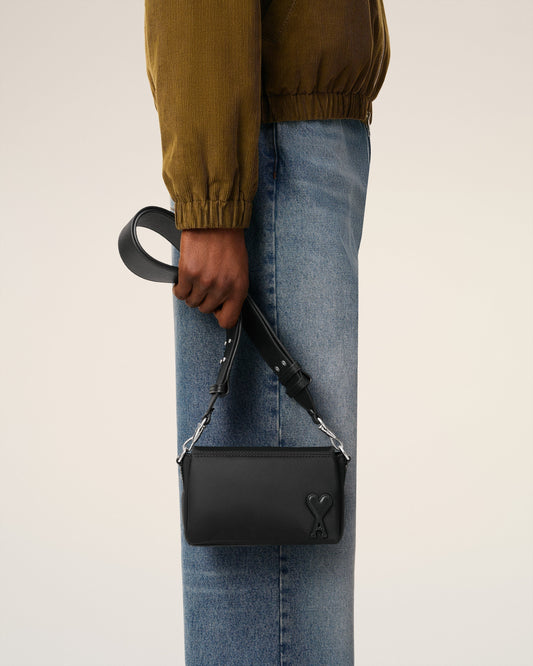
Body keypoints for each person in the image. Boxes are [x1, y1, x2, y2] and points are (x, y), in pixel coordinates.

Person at [144, 1, 390, 663]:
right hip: (270, 148)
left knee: (300, 557)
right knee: (277, 569)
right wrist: (213, 203)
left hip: (297, 138)